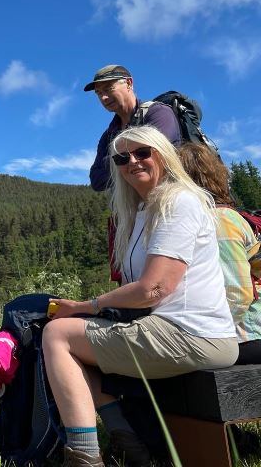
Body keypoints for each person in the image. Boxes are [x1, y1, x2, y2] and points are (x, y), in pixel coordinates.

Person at [43, 126, 237, 467]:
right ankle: (129, 445)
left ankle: (84, 457)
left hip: (191, 334)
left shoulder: (178, 201)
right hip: (181, 331)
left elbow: (154, 288)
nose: (132, 161)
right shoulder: (145, 210)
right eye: (122, 157)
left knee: (57, 335)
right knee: (78, 345)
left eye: (142, 153)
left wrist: (89, 306)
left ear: (163, 155)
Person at [178, 142, 261, 364]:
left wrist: (207, 333)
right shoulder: (214, 218)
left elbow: (238, 293)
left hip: (247, 334)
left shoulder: (219, 220)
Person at [86, 65, 181, 192]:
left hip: (169, 199)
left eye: (109, 89)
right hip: (135, 208)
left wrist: (114, 161)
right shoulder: (108, 135)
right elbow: (96, 180)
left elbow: (156, 158)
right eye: (99, 93)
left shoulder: (158, 114)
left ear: (129, 83)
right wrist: (134, 157)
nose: (103, 97)